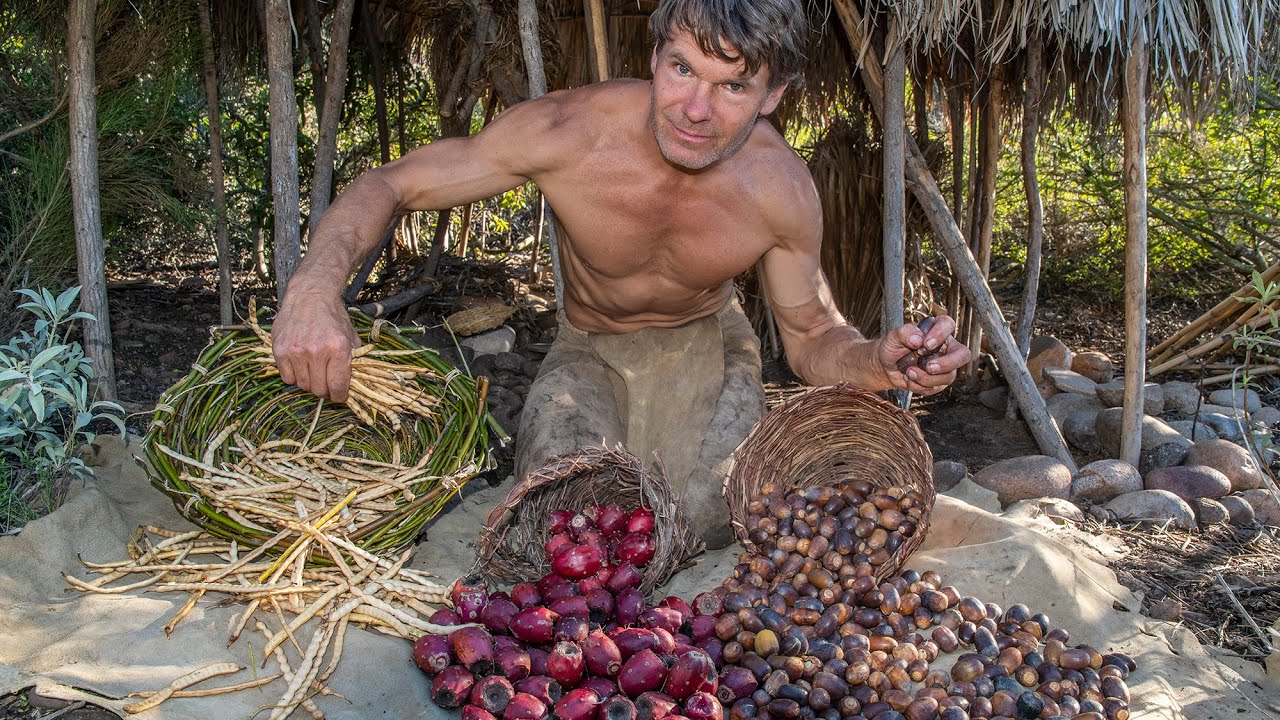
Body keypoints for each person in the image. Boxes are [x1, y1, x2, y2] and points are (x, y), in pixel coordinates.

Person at [271, 0, 972, 550]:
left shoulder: (780, 191)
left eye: (733, 85)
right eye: (681, 70)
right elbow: (391, 183)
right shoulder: (569, 132)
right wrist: (312, 292)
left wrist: (879, 362)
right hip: (591, 344)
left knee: (708, 516)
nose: (697, 109)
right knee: (564, 510)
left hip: (707, 344)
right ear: (654, 56)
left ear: (773, 95)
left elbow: (812, 332)